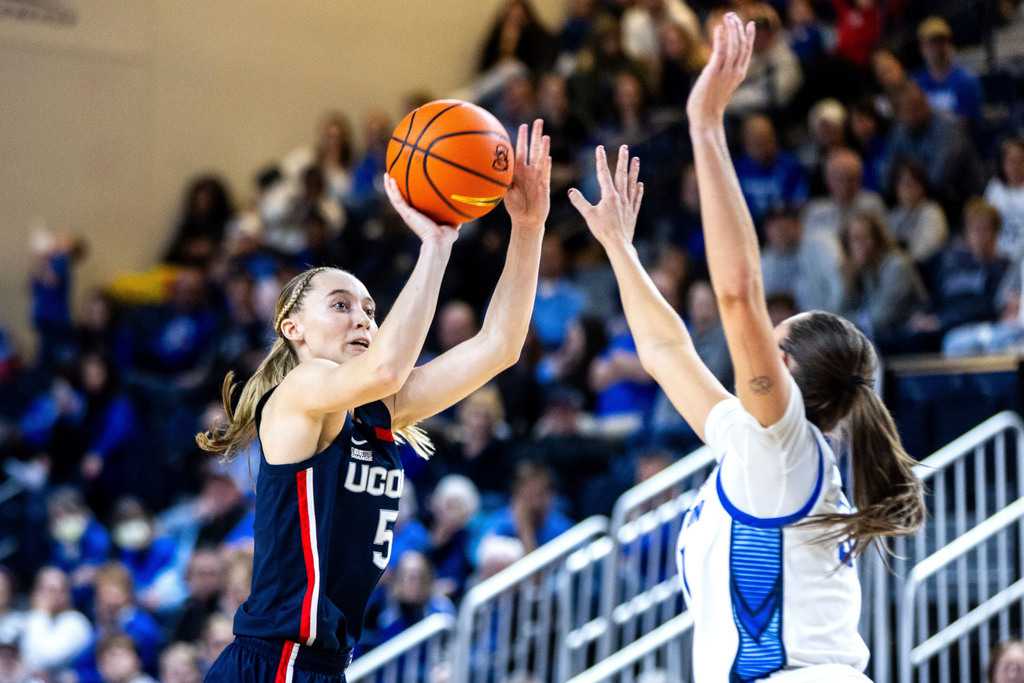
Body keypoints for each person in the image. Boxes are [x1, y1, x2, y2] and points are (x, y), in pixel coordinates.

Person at [566, 14, 924, 680]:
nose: (753, 340)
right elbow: (667, 352)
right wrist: (620, 248)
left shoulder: (781, 443)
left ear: (781, 367)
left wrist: (705, 127)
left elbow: (736, 293)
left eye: (771, 335)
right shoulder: (760, 446)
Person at [196, 121, 550, 682]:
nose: (363, 318)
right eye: (341, 305)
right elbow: (386, 365)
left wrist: (528, 229)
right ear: (293, 328)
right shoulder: (299, 393)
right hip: (273, 664)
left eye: (369, 309)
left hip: (323, 666)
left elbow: (499, 347)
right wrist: (438, 242)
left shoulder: (376, 412)